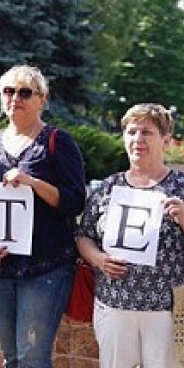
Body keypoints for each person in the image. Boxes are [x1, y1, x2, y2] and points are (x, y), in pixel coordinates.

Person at [0, 65, 86, 367]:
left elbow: (74, 201)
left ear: (42, 99)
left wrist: (32, 183)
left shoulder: (57, 142)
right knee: (12, 358)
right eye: (8, 91)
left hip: (45, 269)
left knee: (33, 357)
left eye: (25, 92)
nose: (15, 98)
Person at [76, 103, 184, 367]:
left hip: (165, 308)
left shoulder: (181, 187)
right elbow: (84, 235)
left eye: (147, 132)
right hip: (114, 304)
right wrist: (99, 259)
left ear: (165, 140)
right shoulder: (107, 188)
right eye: (132, 132)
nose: (138, 139)